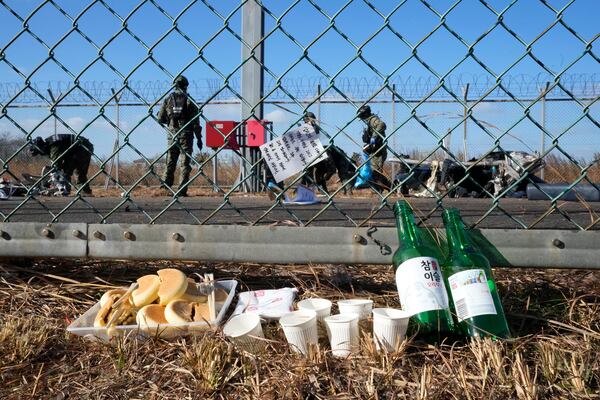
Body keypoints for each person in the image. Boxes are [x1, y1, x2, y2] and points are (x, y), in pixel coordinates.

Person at [157, 75, 203, 196]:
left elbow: (160, 118)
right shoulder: (190, 101)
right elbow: (196, 123)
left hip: (172, 135)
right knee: (184, 164)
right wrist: (199, 139)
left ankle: (165, 187)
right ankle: (181, 190)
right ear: (186, 86)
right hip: (186, 136)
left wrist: (169, 119)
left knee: (170, 161)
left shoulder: (168, 99)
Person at [29, 134, 94, 195]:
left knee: (72, 170)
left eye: (39, 153)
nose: (41, 154)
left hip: (82, 147)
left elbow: (56, 164)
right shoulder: (51, 143)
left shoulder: (54, 145)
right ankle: (81, 191)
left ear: (40, 148)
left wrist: (50, 178)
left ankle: (68, 190)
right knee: (68, 170)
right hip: (77, 148)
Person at [357, 105, 387, 172]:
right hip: (375, 152)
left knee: (376, 172)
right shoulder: (369, 122)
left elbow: (382, 124)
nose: (362, 119)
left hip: (378, 152)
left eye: (362, 117)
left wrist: (374, 136)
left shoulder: (373, 120)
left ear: (365, 114)